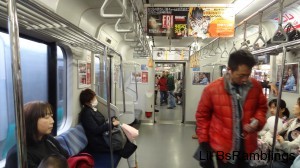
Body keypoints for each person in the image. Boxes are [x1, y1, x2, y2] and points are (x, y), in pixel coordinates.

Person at [194, 49, 268, 167]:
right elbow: (202, 117)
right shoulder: (212, 90)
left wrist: (257, 120)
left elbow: (262, 108)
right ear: (230, 70)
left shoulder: (255, 87)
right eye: (241, 75)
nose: (245, 79)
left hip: (248, 148)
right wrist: (203, 142)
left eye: (248, 75)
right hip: (224, 149)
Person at [78, 89, 137, 168]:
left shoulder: (93, 110)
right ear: (87, 102)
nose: (95, 100)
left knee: (131, 140)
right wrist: (112, 124)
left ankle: (134, 166)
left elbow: (102, 122)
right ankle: (133, 166)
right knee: (130, 144)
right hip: (99, 142)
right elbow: (96, 130)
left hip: (104, 137)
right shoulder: (86, 113)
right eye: (93, 98)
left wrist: (112, 118)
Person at [5, 101, 69, 168]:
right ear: (32, 121)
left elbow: (66, 156)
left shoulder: (48, 139)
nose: (52, 121)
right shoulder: (18, 155)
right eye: (47, 117)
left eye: (51, 116)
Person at [270, 97, 300, 168]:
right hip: (284, 152)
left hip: (292, 157)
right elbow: (278, 130)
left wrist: (282, 143)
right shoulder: (292, 121)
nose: (294, 106)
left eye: (296, 104)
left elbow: (295, 147)